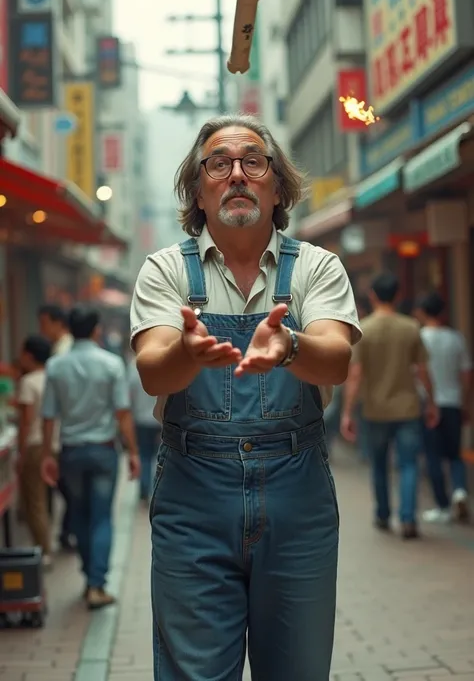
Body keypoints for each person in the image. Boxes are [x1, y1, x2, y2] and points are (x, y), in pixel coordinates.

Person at [131, 114, 361, 681]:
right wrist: (189, 353)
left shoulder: (316, 266)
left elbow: (335, 355)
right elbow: (154, 373)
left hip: (297, 493)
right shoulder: (165, 270)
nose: (236, 173)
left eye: (253, 162)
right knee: (195, 673)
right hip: (193, 496)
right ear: (198, 191)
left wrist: (287, 347)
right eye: (219, 163)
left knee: (299, 669)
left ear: (277, 186)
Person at [40, 305, 140, 610]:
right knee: (100, 518)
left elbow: (48, 417)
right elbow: (122, 413)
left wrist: (48, 455)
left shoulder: (56, 365)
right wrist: (133, 451)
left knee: (79, 515)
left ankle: (89, 577)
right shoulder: (111, 364)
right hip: (104, 450)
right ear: (96, 330)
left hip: (70, 452)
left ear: (69, 329)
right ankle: (97, 583)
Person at [341, 272, 438, 539]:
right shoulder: (410, 327)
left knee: (380, 464)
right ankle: (408, 519)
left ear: (372, 295)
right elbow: (422, 370)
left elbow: (356, 373)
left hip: (375, 409)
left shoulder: (364, 329)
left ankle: (383, 515)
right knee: (408, 464)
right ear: (398, 296)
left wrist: (348, 411)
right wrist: (431, 402)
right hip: (408, 408)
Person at [415, 291, 471, 523]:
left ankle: (443, 506)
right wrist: (466, 402)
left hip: (429, 405)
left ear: (423, 312)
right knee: (455, 454)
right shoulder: (456, 338)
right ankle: (460, 490)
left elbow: (418, 371)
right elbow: (467, 373)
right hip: (454, 402)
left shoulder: (420, 338)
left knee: (433, 456)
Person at [38, 303, 74, 549]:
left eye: (44, 324)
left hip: (66, 433)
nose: (42, 330)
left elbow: (54, 405)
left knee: (68, 490)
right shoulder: (60, 349)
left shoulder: (63, 354)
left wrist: (47, 446)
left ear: (57, 323)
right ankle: (66, 532)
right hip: (66, 433)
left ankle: (67, 532)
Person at [16, 335, 53, 568]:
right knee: (45, 500)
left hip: (34, 445)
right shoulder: (52, 377)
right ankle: (45, 547)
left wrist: (21, 453)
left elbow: (26, 422)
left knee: (35, 502)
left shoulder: (28, 382)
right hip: (52, 443)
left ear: (29, 356)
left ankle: (43, 550)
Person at [127, 355, 161, 503]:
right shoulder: (162, 362)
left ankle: (144, 490)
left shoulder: (133, 366)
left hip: (140, 419)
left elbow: (129, 395)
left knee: (145, 455)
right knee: (159, 456)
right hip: (159, 420)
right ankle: (156, 489)